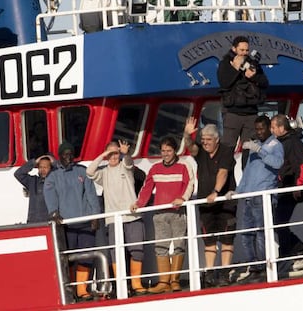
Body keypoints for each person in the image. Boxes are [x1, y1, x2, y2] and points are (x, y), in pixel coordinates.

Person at [130, 136, 194, 294]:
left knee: (179, 246)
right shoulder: (155, 168)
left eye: (169, 151)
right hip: (159, 213)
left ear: (175, 151)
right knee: (161, 247)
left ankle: (175, 281)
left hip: (178, 212)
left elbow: (190, 184)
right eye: (163, 151)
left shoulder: (184, 166)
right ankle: (164, 282)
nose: (165, 154)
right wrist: (138, 204)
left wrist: (183, 198)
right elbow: (146, 188)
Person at [226, 115, 284, 283]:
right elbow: (248, 174)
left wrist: (260, 151)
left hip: (263, 196)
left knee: (261, 233)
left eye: (261, 129)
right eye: (256, 129)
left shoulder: (275, 145)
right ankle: (255, 267)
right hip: (249, 196)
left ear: (269, 128)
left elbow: (277, 163)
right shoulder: (255, 146)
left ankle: (264, 267)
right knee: (246, 234)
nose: (259, 132)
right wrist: (237, 192)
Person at [86, 140, 147, 296]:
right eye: (110, 153)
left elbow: (129, 163)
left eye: (116, 153)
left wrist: (125, 153)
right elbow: (89, 172)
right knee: (116, 253)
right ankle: (121, 285)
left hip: (132, 216)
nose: (114, 156)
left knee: (137, 250)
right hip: (113, 219)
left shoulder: (125, 167)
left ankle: (136, 284)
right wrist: (104, 154)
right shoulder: (103, 172)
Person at [44, 141, 101, 301]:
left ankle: (82, 289)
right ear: (60, 156)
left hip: (85, 222)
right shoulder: (53, 176)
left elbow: (91, 194)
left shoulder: (82, 172)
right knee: (67, 258)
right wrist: (53, 212)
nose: (68, 157)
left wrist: (95, 216)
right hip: (66, 225)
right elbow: (50, 195)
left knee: (86, 256)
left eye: (71, 154)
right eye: (65, 154)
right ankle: (69, 290)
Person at [184, 117, 237, 287]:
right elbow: (191, 147)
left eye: (208, 140)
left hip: (225, 203)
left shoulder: (226, 151)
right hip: (206, 204)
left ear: (217, 140)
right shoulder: (201, 152)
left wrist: (216, 192)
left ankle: (225, 272)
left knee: (227, 238)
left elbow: (223, 173)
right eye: (203, 140)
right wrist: (187, 134)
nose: (205, 144)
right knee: (209, 239)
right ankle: (208, 273)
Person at [217, 35, 269, 169]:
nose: (244, 53)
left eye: (246, 50)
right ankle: (226, 182)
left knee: (249, 150)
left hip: (251, 113)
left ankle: (248, 181)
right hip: (233, 113)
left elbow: (265, 83)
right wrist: (235, 68)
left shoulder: (252, 64)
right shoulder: (225, 63)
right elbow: (224, 83)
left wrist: (254, 76)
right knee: (228, 149)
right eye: (241, 50)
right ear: (234, 49)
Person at [270, 114, 303, 266]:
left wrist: (298, 185)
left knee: (279, 221)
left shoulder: (293, 142)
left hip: (290, 187)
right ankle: (295, 246)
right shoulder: (281, 142)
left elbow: (300, 165)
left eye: (273, 127)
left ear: (281, 127)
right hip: (283, 186)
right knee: (277, 221)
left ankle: (286, 253)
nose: (271, 130)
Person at [14, 154, 55, 223]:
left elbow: (64, 174)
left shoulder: (56, 182)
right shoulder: (32, 181)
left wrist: (54, 163)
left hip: (50, 223)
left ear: (51, 168)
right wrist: (34, 162)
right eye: (40, 167)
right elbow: (18, 174)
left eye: (45, 167)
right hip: (33, 222)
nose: (42, 170)